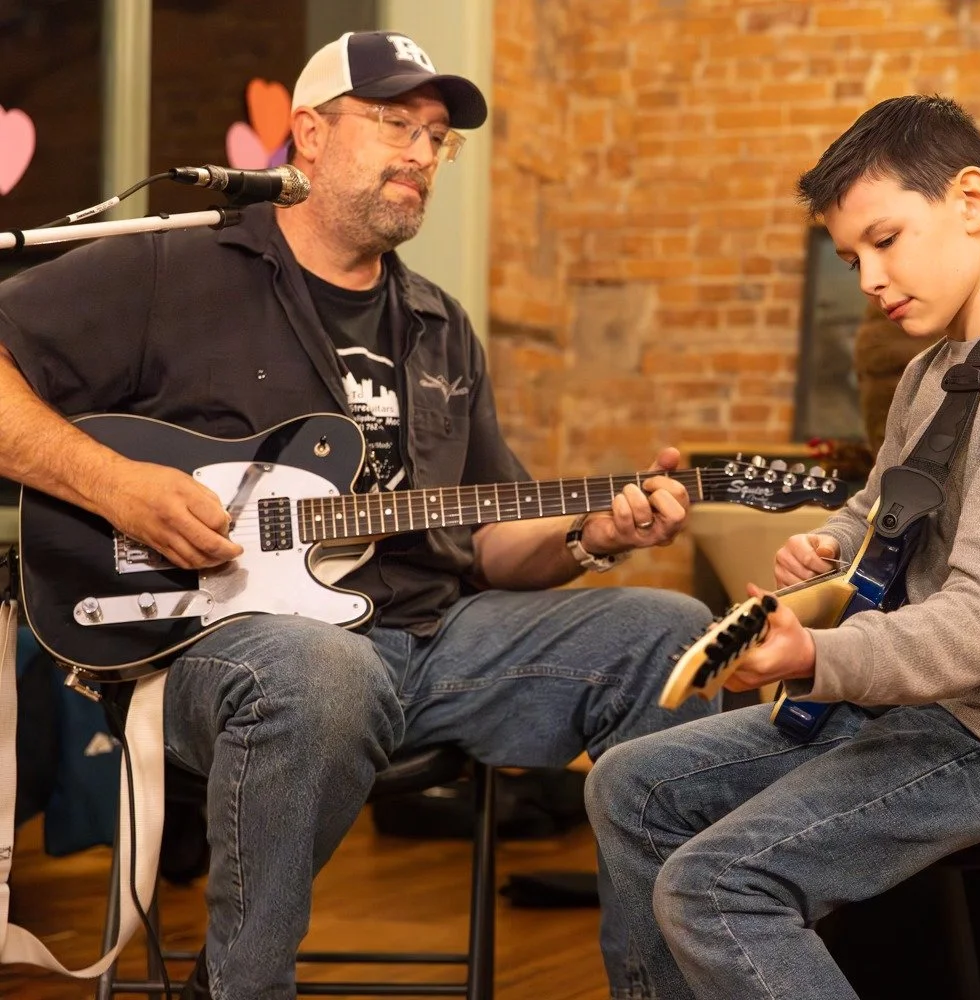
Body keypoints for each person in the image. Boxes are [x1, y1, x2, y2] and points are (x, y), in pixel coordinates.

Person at [0, 31, 716, 1000]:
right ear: (308, 133)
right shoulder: (174, 266)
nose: (421, 152)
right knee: (320, 670)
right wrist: (115, 484)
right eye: (394, 123)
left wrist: (594, 534)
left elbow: (490, 543)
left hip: (433, 640)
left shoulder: (437, 324)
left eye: (436, 136)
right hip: (224, 649)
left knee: (667, 635)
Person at [586, 94, 980, 1000]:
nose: (868, 278)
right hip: (917, 710)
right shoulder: (932, 371)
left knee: (717, 884)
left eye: (886, 241)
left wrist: (817, 653)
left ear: (970, 201)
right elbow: (882, 509)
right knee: (629, 786)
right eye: (851, 259)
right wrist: (827, 546)